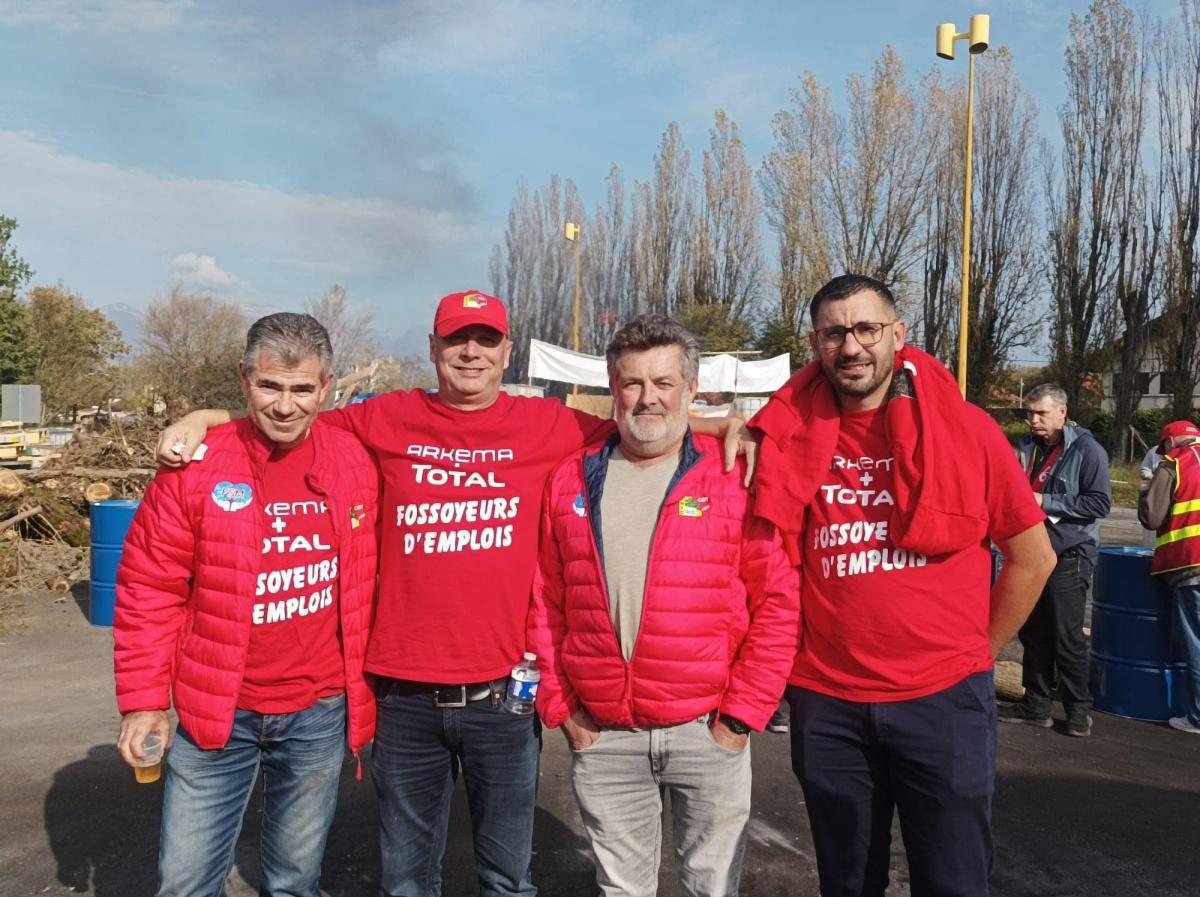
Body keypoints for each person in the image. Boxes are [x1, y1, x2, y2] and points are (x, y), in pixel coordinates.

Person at [155, 290, 749, 897]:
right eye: (457, 339)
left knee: (506, 877)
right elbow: (287, 413)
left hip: (503, 696)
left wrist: (723, 424)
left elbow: (643, 421)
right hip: (404, 696)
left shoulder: (548, 424)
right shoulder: (384, 418)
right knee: (409, 879)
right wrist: (204, 418)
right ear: (433, 348)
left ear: (507, 352)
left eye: (487, 340)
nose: (472, 352)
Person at [748, 274, 1056, 897]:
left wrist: (978, 652)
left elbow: (1033, 558)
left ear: (897, 335)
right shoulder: (784, 437)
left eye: (866, 329)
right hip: (828, 701)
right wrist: (727, 424)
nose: (851, 347)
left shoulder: (967, 431)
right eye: (835, 333)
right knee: (847, 882)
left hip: (943, 700)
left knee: (952, 881)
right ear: (816, 343)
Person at [527, 316, 800, 897]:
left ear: (691, 389)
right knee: (623, 891)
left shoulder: (733, 476)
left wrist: (740, 717)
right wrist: (563, 711)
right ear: (612, 386)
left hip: (707, 732)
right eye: (632, 383)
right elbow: (546, 604)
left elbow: (777, 601)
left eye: (664, 382)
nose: (648, 397)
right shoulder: (568, 480)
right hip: (605, 738)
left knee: (711, 888)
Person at [113, 313, 380, 897]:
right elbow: (149, 588)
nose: (285, 406)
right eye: (270, 387)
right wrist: (143, 702)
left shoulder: (357, 459)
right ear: (244, 380)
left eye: (302, 389)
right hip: (217, 714)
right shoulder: (196, 467)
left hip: (319, 712)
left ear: (327, 386)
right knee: (184, 882)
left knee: (294, 880)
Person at [1003, 383, 1112, 737]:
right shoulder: (1026, 448)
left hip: (1070, 554)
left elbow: (1099, 504)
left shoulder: (1087, 450)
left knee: (1067, 636)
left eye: (1041, 413)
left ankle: (1079, 711)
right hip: (1030, 555)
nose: (1033, 420)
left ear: (1062, 413)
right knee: (1033, 633)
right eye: (1030, 413)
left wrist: (1044, 502)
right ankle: (1036, 705)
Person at [1138, 419, 1200, 734]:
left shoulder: (1173, 464)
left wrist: (1146, 488)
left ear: (1171, 441)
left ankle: (1198, 716)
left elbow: (1152, 517)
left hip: (1191, 565)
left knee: (1196, 640)